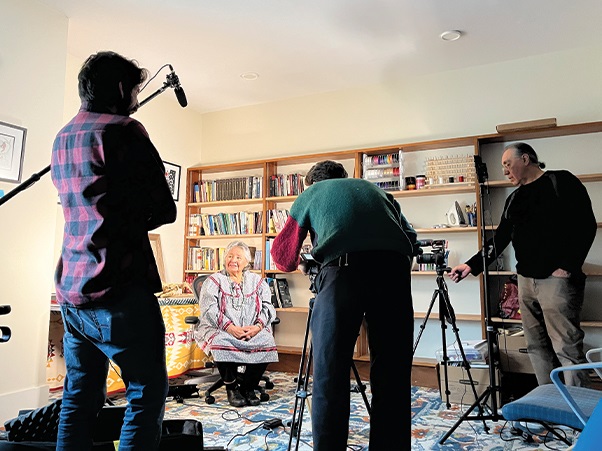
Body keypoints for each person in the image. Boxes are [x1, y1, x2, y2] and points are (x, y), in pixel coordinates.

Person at [51, 51, 177, 450]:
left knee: (79, 396)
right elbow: (164, 209)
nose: (137, 97)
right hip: (118, 288)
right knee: (145, 391)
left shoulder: (63, 136)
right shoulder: (124, 130)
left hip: (72, 289)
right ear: (121, 89)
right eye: (136, 89)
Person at [270, 160, 417, 451]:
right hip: (394, 273)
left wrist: (305, 262)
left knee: (329, 372)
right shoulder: (377, 192)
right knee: (393, 373)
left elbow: (282, 256)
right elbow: (411, 239)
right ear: (345, 177)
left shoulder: (310, 194)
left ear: (312, 182)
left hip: (343, 272)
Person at [450, 142, 596, 387]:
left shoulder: (561, 182)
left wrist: (567, 267)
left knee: (567, 347)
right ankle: (548, 406)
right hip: (525, 281)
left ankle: (579, 417)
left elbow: (586, 225)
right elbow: (499, 240)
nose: (505, 171)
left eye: (507, 164)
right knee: (536, 346)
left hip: (556, 281)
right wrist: (471, 266)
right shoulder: (514, 198)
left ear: (526, 159)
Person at [194, 240, 279, 407]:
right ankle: (232, 387)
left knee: (267, 340)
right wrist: (230, 328)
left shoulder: (258, 281)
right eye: (230, 256)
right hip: (220, 327)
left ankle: (249, 387)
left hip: (251, 328)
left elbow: (269, 306)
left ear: (247, 261)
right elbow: (209, 309)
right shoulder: (213, 281)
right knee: (219, 342)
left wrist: (257, 327)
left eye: (238, 257)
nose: (233, 260)